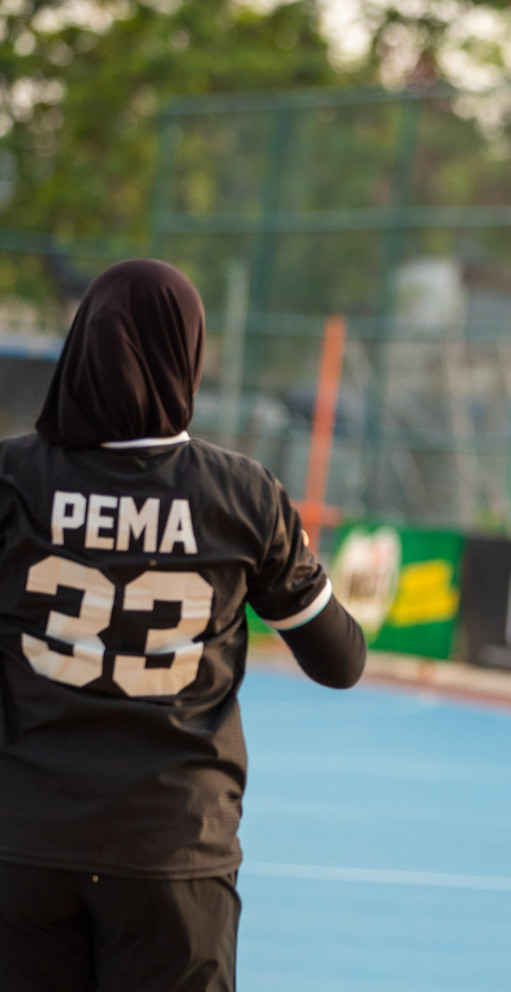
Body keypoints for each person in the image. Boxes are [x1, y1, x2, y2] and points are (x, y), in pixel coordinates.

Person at [0, 259, 368, 991]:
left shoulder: (13, 480)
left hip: (23, 844)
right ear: (186, 355)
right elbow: (340, 661)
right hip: (174, 850)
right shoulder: (241, 495)